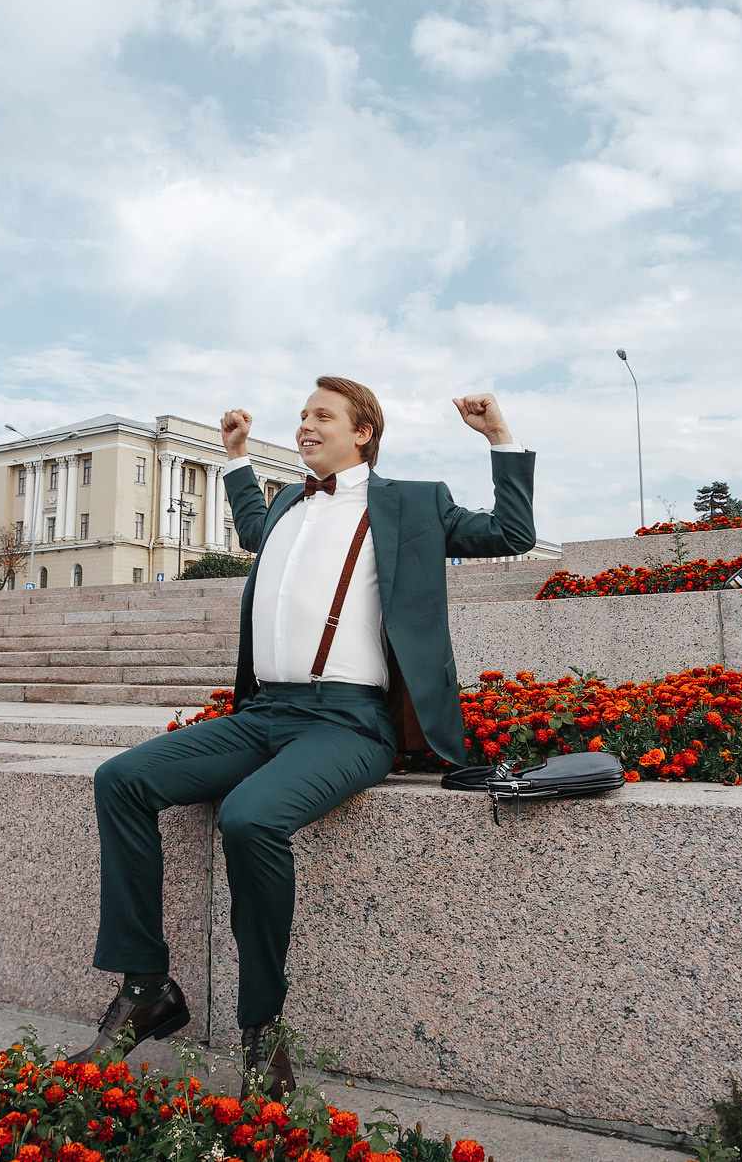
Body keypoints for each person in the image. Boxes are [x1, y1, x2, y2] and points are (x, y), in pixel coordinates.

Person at [75, 375, 536, 1095]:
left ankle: (262, 1030)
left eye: (322, 415)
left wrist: (500, 438)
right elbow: (256, 528)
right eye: (301, 415)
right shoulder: (289, 501)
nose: (305, 425)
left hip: (349, 720)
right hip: (264, 714)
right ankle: (146, 989)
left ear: (364, 432)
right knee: (121, 779)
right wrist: (233, 459)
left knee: (251, 818)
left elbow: (511, 534)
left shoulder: (413, 502)